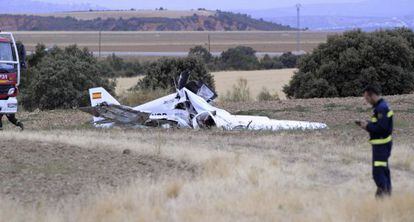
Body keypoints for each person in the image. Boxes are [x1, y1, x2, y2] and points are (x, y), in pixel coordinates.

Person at [356, 86, 393, 198]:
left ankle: (382, 198)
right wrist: (367, 125)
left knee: (378, 172)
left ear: (372, 95)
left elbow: (383, 128)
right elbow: (379, 125)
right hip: (380, 145)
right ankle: (387, 196)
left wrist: (367, 126)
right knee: (384, 171)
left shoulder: (381, 108)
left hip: (381, 146)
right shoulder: (380, 107)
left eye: (367, 98)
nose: (366, 101)